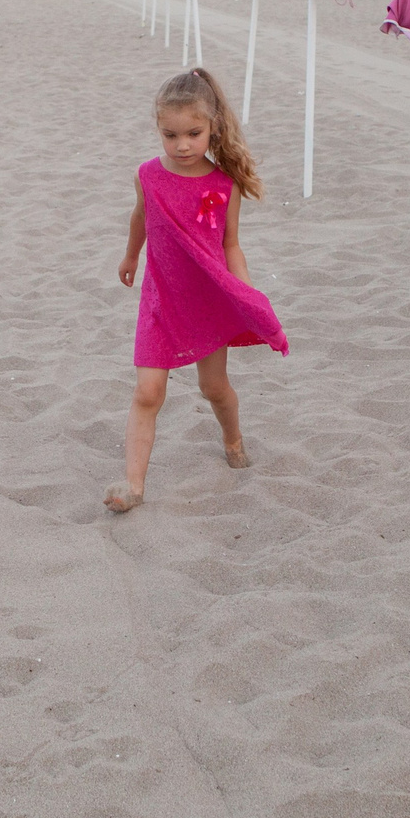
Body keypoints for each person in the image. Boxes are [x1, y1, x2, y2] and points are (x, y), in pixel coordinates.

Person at [109, 68, 287, 512]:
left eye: (193, 133)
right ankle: (133, 486)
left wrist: (243, 292)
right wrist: (131, 256)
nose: (182, 144)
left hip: (207, 301)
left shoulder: (223, 184)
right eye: (170, 135)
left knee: (214, 388)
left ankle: (233, 440)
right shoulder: (148, 175)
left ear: (213, 128)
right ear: (158, 129)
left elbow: (230, 245)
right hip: (161, 300)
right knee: (148, 392)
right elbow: (139, 217)